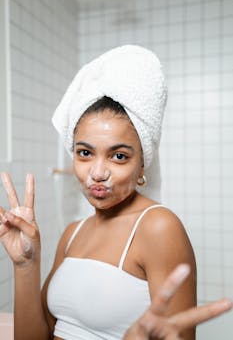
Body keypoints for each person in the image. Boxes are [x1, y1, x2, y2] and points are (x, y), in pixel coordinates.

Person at [0, 45, 231, 340]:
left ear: (143, 164)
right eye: (85, 153)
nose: (98, 172)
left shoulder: (159, 227)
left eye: (118, 156)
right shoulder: (72, 233)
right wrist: (25, 265)